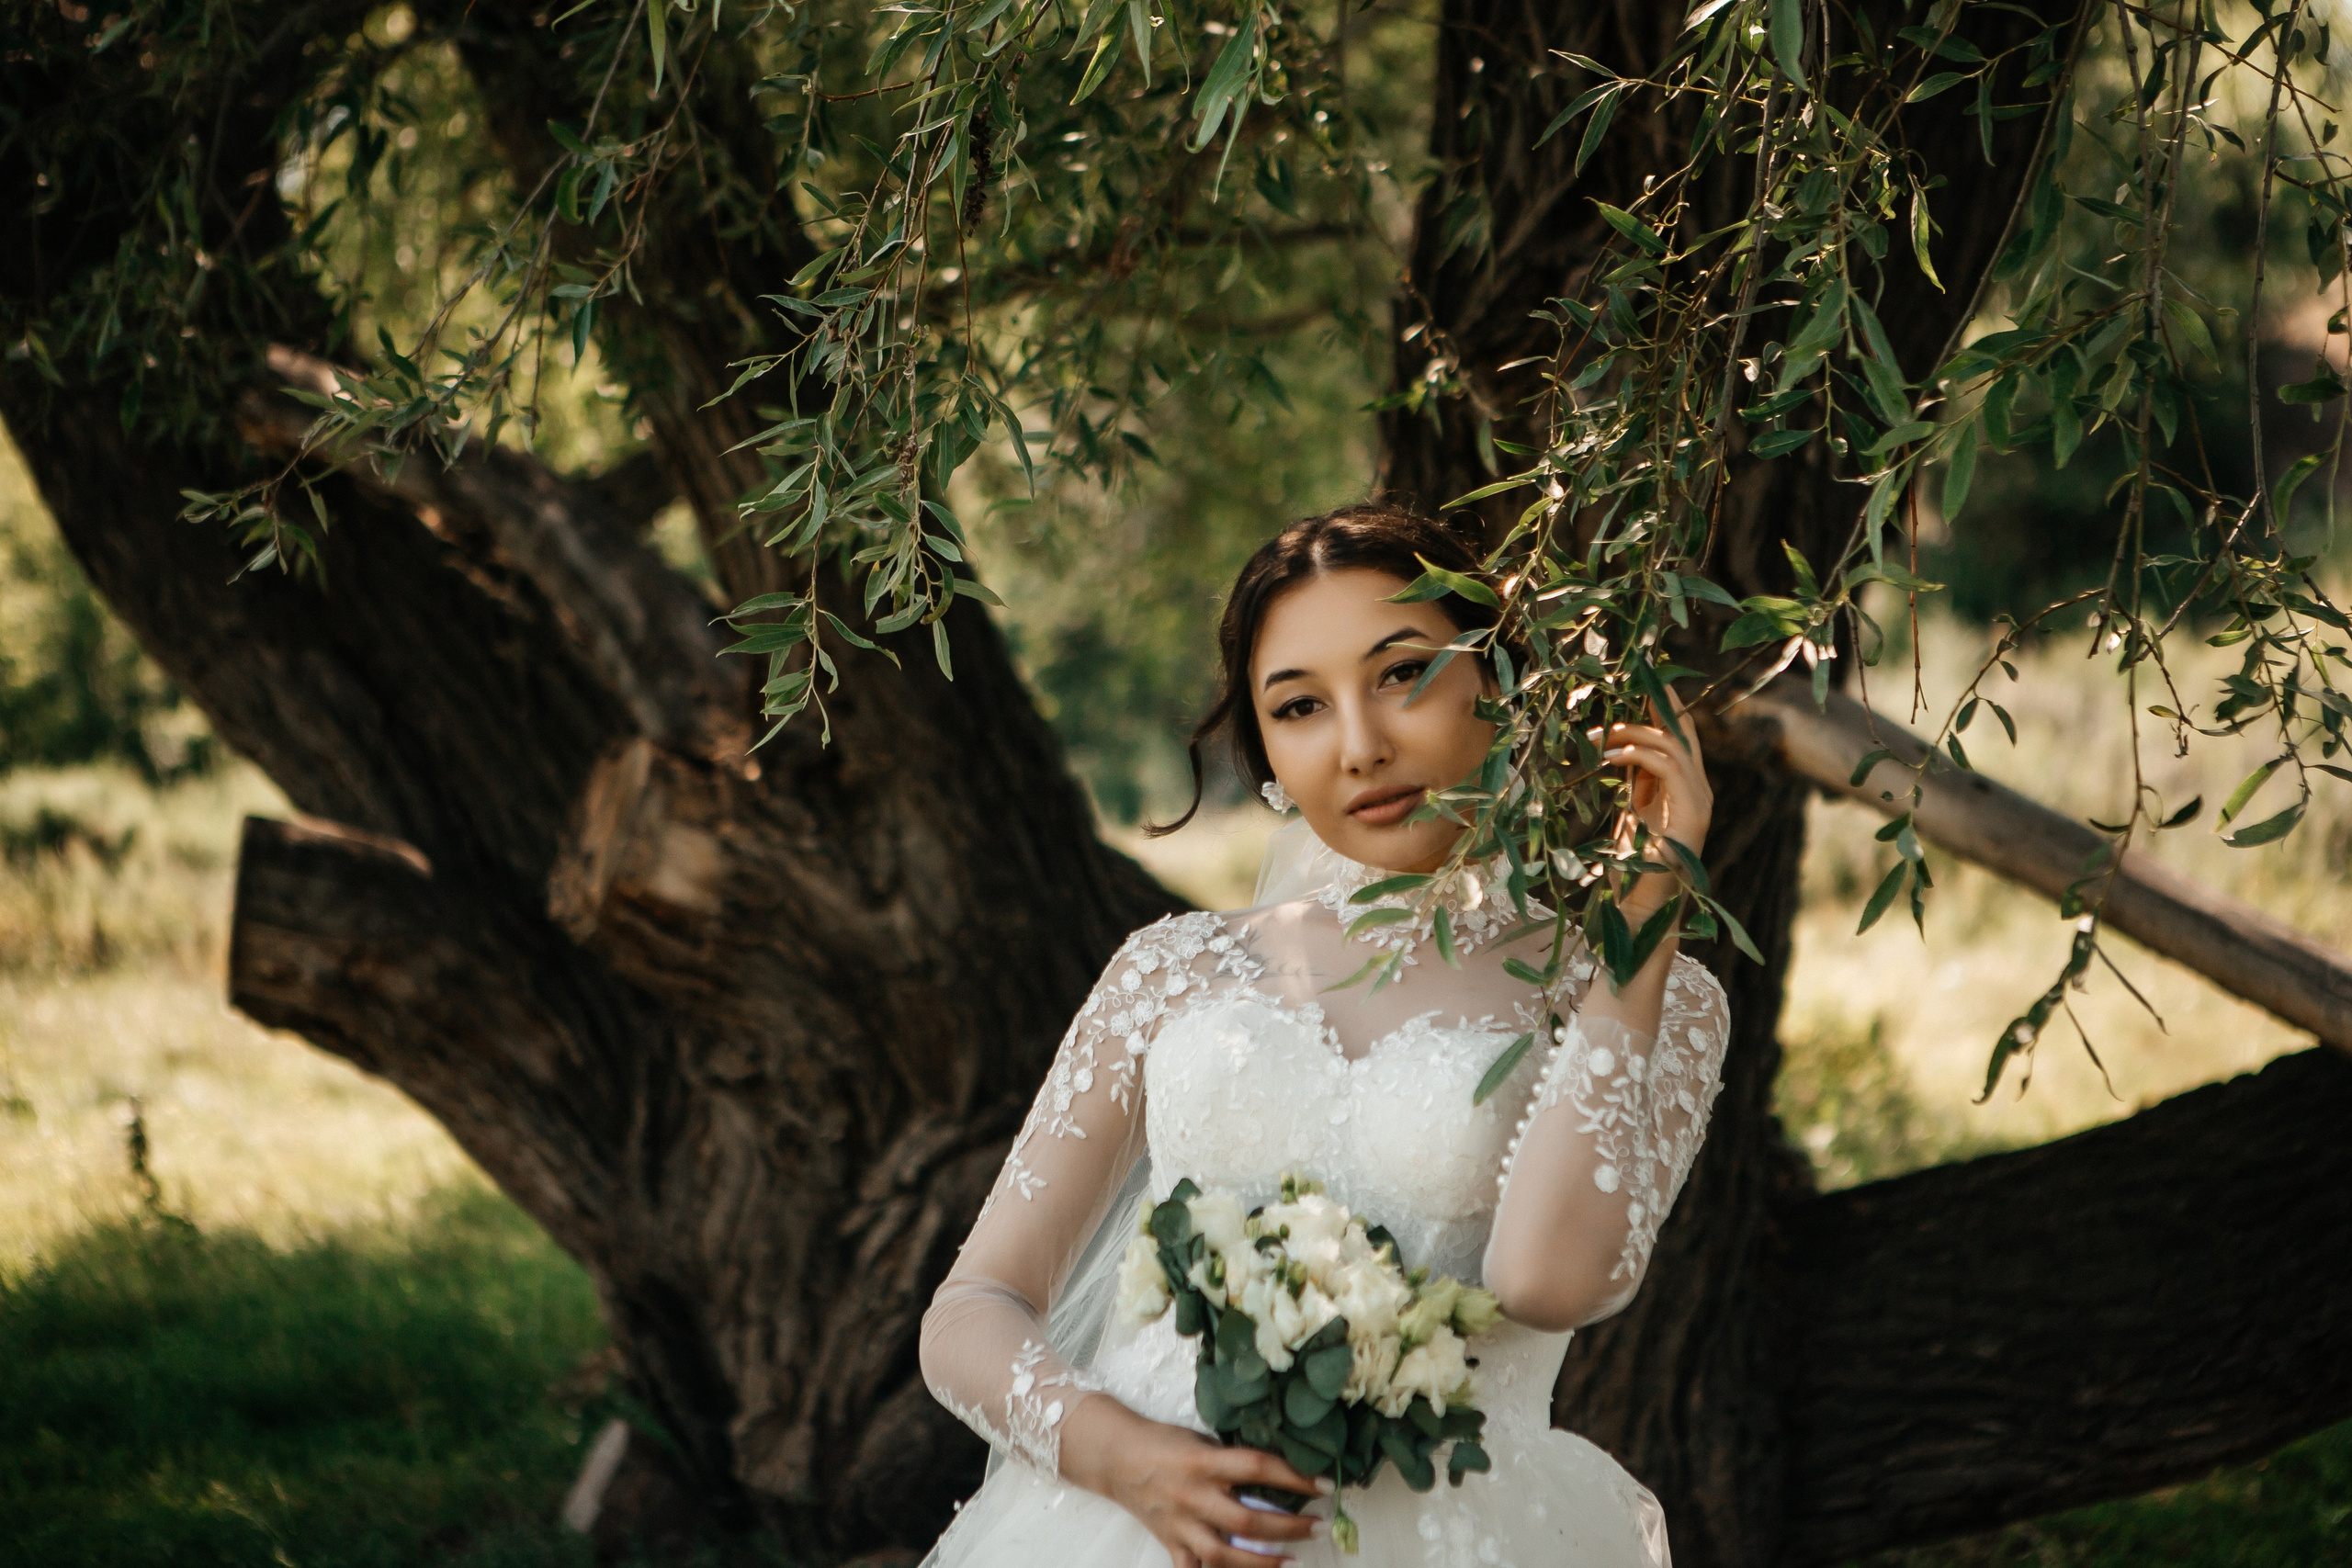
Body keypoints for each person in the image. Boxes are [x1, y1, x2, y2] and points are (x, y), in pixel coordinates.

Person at [916, 503, 1730, 1567]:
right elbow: (970, 1311)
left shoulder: (1643, 991)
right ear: (1262, 748)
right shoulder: (1172, 972)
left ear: (1505, 679)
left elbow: (1546, 1285)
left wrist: (1638, 928)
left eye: (1403, 674)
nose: (1360, 747)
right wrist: (1122, 1459)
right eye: (1299, 706)